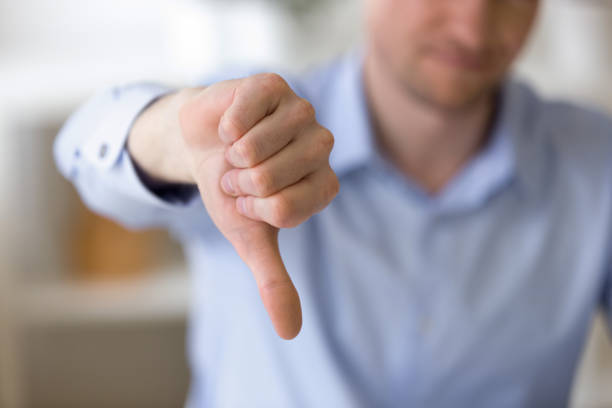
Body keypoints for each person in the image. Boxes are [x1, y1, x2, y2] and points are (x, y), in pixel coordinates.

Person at [54, 0, 612, 406]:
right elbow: (84, 151)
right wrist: (174, 139)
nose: (472, 24)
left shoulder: (596, 164)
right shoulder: (251, 125)